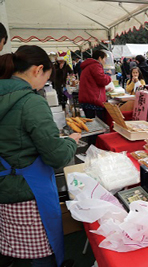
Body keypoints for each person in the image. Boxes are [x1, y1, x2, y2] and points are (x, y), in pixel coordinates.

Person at [0, 45, 80, 267]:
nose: (44, 84)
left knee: (16, 248)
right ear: (38, 70)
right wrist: (71, 143)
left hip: (5, 185)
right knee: (43, 254)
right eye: (46, 77)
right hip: (28, 191)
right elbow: (55, 156)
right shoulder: (31, 101)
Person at [78, 50, 112, 122]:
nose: (105, 62)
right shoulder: (95, 66)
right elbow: (102, 80)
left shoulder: (88, 66)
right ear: (100, 58)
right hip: (93, 101)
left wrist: (104, 90)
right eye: (104, 59)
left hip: (88, 99)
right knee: (98, 125)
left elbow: (92, 83)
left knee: (92, 123)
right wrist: (108, 75)